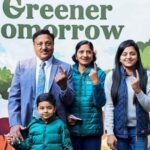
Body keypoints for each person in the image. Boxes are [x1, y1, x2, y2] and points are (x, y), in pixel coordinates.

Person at [8, 29, 73, 142]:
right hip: (26, 127)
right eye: (40, 44)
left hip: (54, 130)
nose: (44, 47)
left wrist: (63, 87)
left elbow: (69, 101)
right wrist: (14, 124)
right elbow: (14, 98)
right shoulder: (22, 66)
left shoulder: (65, 68)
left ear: (53, 45)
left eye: (48, 43)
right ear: (34, 45)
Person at [105, 39, 150, 150]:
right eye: (124, 54)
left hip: (139, 131)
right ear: (119, 58)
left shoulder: (147, 75)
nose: (128, 57)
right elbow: (109, 106)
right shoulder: (112, 76)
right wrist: (110, 133)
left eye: (132, 53)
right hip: (119, 131)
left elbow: (149, 106)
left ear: (138, 56)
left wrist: (138, 90)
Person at [67, 40, 106, 150]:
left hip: (92, 132)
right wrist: (67, 116)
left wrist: (96, 82)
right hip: (72, 131)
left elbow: (100, 103)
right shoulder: (68, 72)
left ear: (93, 55)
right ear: (76, 54)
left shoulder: (100, 73)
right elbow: (63, 100)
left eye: (88, 52)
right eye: (81, 52)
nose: (85, 55)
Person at [7, 93, 73, 150]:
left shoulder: (60, 125)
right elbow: (27, 146)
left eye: (49, 108)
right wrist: (15, 143)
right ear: (37, 110)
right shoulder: (33, 125)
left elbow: (68, 146)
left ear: (54, 109)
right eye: (42, 108)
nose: (45, 111)